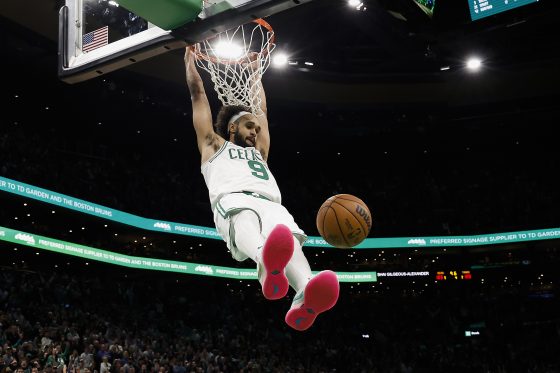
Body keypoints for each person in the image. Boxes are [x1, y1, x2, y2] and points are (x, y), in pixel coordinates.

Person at [183, 47, 339, 331]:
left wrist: (255, 73)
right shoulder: (213, 145)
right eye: (249, 127)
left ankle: (305, 293)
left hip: (271, 203)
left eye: (257, 128)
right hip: (233, 199)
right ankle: (265, 261)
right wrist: (190, 62)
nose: (256, 131)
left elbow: (261, 110)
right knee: (245, 217)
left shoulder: (260, 153)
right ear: (232, 128)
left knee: (287, 237)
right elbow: (198, 95)